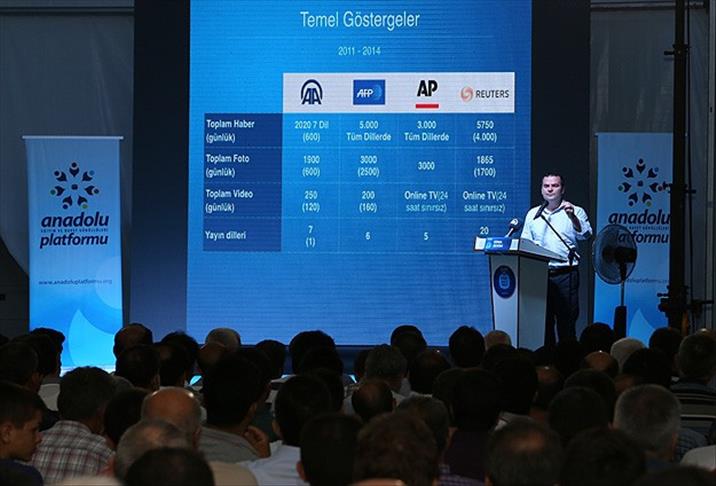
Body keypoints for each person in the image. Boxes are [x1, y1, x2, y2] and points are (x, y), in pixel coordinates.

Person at [521, 173, 592, 345]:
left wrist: (572, 217)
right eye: (546, 186)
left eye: (555, 185)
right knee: (543, 325)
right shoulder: (533, 214)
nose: (550, 189)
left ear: (563, 189)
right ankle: (547, 358)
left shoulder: (575, 211)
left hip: (566, 275)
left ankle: (567, 358)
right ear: (541, 189)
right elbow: (525, 243)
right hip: (540, 275)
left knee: (566, 324)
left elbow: (586, 235)